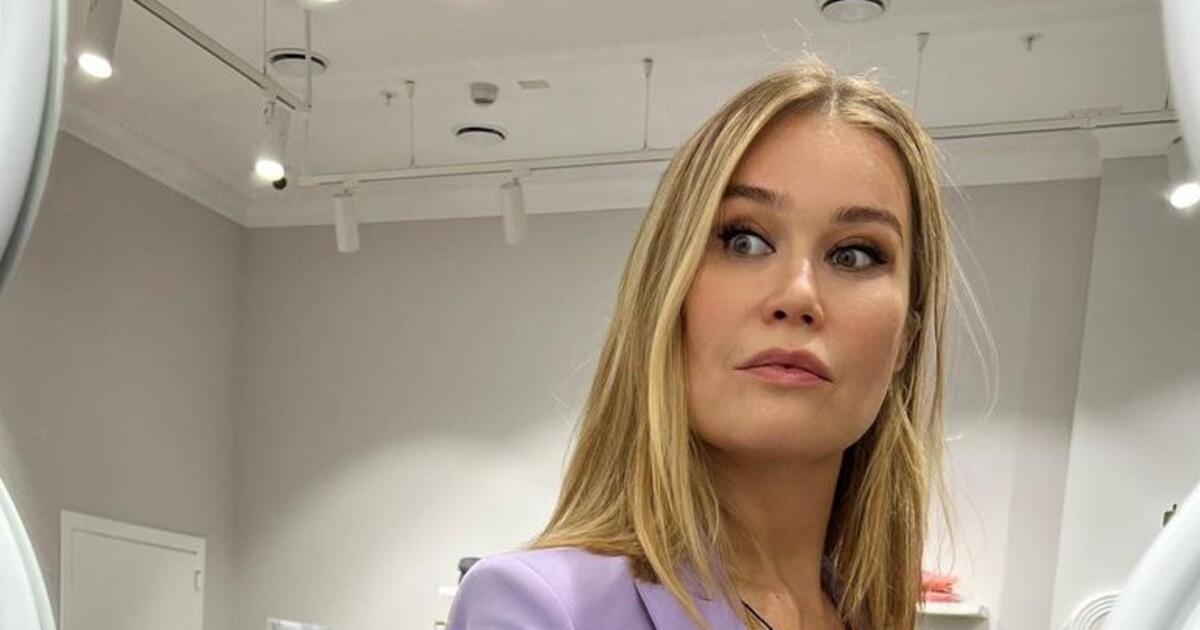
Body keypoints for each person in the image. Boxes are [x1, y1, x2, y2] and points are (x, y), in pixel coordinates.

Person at [446, 55, 960, 630]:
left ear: (906, 340)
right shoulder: (540, 609)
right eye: (744, 240)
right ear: (667, 295)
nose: (798, 294)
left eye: (856, 254)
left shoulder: (871, 616)